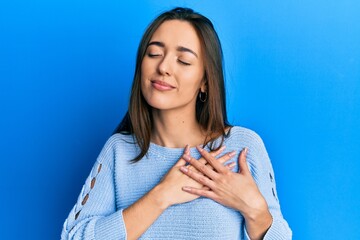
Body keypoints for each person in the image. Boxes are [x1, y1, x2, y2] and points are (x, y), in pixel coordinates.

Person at [61, 7, 292, 240]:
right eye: (153, 54)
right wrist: (161, 195)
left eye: (183, 60)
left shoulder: (242, 147)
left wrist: (255, 210)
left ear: (205, 81)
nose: (163, 67)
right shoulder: (118, 151)